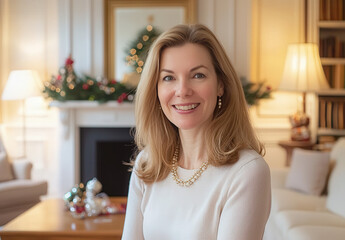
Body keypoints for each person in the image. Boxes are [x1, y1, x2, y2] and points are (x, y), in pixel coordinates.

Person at [122, 24, 271, 240]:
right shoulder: (147, 163)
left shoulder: (247, 172)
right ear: (156, 90)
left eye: (198, 75)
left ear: (221, 84)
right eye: (168, 78)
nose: (182, 90)